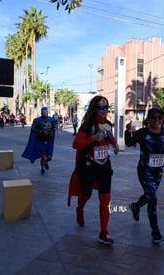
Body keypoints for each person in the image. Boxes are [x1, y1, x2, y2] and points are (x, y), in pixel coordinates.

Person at [67, 96, 119, 245]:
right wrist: (92, 138)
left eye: (106, 108)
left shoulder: (108, 124)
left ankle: (104, 231)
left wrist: (115, 146)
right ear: (94, 109)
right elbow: (76, 144)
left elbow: (110, 137)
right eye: (101, 108)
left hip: (104, 166)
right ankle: (80, 209)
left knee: (106, 198)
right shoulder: (88, 125)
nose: (104, 111)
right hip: (88, 166)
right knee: (86, 193)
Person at [125, 108, 164, 243]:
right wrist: (127, 131)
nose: (157, 121)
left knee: (149, 196)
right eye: (154, 118)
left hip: (158, 171)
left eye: (160, 118)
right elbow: (129, 143)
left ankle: (135, 206)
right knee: (152, 199)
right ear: (148, 119)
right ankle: (155, 231)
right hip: (144, 170)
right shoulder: (143, 132)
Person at [22, 107, 57, 175]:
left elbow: (53, 128)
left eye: (46, 112)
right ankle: (42, 168)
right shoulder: (37, 120)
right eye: (44, 112)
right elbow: (33, 129)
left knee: (49, 157)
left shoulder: (51, 120)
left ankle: (46, 162)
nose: (45, 113)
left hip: (48, 140)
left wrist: (52, 132)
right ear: (41, 112)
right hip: (40, 140)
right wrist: (41, 131)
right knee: (43, 156)